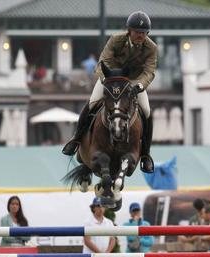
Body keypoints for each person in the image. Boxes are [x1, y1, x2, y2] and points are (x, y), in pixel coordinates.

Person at [62, 11, 157, 173]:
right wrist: (107, 80)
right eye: (137, 32)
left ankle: (146, 155)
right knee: (92, 103)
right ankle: (76, 139)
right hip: (111, 79)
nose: (140, 35)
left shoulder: (151, 47)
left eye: (143, 33)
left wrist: (140, 86)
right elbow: (103, 62)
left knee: (147, 112)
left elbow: (149, 71)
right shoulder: (116, 40)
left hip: (134, 82)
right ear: (129, 30)